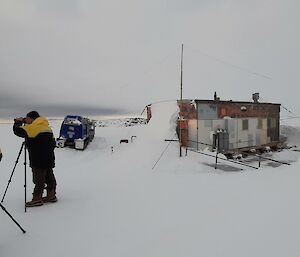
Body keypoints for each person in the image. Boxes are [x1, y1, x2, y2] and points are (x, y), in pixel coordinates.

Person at [13, 111, 57, 207]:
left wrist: (17, 122)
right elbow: (53, 144)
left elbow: (17, 131)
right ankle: (51, 195)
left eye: (27, 118)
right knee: (49, 176)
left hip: (38, 159)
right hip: (49, 157)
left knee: (39, 179)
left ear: (31, 119)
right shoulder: (48, 128)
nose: (26, 119)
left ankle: (37, 198)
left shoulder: (31, 128)